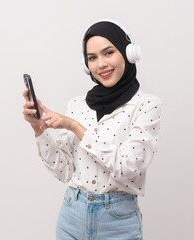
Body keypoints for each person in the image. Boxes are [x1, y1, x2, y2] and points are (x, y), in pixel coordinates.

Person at [22, 19, 162, 240]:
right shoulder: (76, 105)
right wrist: (39, 130)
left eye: (108, 53)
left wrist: (76, 127)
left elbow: (127, 165)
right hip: (71, 215)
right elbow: (64, 170)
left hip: (118, 222)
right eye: (92, 58)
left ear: (128, 53)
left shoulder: (146, 106)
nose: (101, 64)